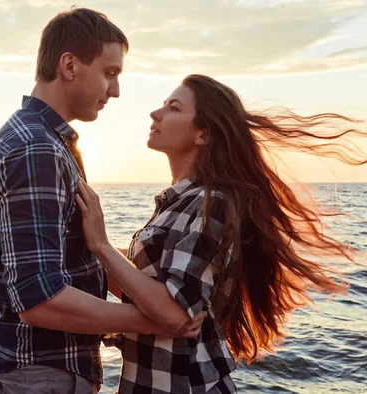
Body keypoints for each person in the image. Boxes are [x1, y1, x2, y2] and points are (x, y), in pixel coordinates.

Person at [75, 74, 367, 393]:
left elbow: (174, 313)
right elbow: (145, 292)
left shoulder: (210, 204)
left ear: (203, 133)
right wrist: (82, 241)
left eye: (173, 108)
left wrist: (101, 245)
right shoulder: (179, 203)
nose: (155, 114)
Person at [0, 9, 205, 394]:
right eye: (110, 73)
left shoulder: (47, 142)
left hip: (45, 372)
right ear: (69, 65)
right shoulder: (36, 150)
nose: (115, 91)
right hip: (42, 375)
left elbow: (71, 260)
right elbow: (39, 300)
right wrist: (151, 321)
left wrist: (159, 303)